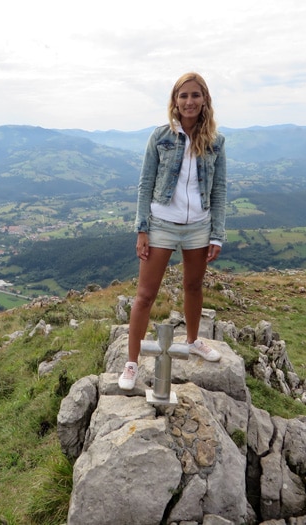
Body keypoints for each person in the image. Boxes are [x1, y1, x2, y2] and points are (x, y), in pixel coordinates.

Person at [119, 72, 227, 390]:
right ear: (174, 101)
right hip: (162, 224)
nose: (189, 101)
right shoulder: (161, 137)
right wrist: (142, 230)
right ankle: (131, 362)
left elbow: (219, 191)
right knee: (145, 295)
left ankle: (193, 340)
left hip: (199, 226)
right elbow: (145, 184)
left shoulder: (216, 142)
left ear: (205, 99)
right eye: (183, 96)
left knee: (193, 287)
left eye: (195, 95)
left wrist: (216, 234)